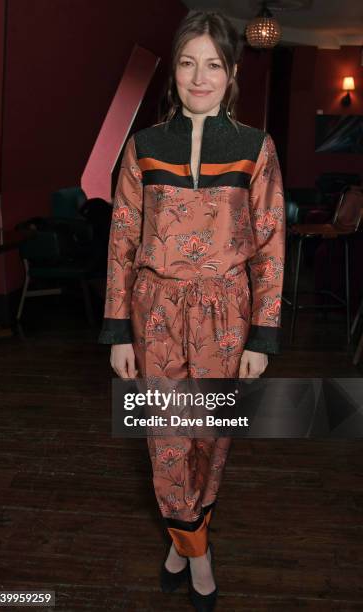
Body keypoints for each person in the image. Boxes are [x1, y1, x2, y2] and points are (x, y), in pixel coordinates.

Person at [98, 9, 285, 611]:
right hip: (153, 314)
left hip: (228, 319)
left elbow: (270, 246)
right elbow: (122, 240)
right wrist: (117, 331)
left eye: (212, 65)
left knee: (213, 440)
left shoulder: (256, 148)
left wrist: (263, 335)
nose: (197, 77)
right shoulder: (144, 148)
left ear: (231, 74)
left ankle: (182, 542)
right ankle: (200, 559)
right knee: (167, 438)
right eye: (186, 63)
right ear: (173, 72)